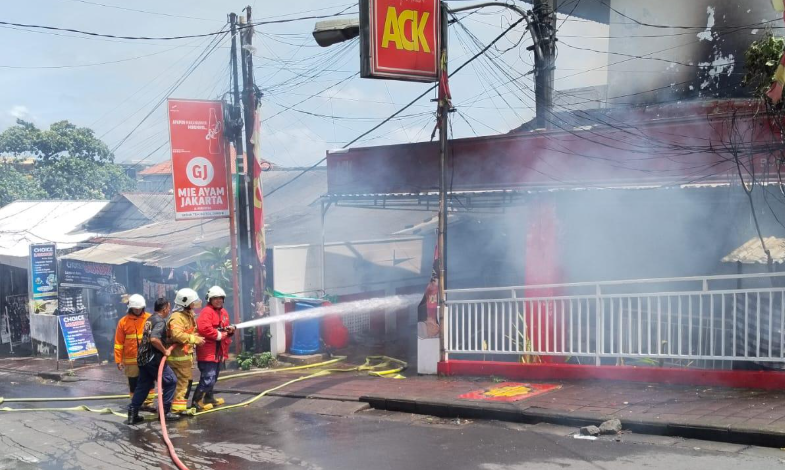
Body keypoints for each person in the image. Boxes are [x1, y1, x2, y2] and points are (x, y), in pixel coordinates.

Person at [126, 298, 180, 425]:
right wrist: (165, 351)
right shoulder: (160, 321)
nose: (169, 310)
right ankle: (164, 412)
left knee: (143, 386)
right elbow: (154, 339)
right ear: (164, 309)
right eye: (169, 308)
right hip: (153, 359)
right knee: (171, 381)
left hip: (143, 358)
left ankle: (132, 414)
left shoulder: (150, 319)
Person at [194, 286, 235, 411]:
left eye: (220, 298)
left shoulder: (224, 312)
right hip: (208, 351)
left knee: (214, 376)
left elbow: (224, 329)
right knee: (208, 377)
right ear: (210, 299)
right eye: (215, 298)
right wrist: (220, 335)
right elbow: (204, 328)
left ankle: (209, 398)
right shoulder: (206, 312)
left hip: (219, 351)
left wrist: (230, 331)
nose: (218, 300)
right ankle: (196, 401)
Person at [167, 288, 205, 414]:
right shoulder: (177, 317)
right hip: (178, 358)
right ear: (185, 302)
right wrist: (194, 339)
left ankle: (179, 408)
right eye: (192, 302)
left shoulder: (188, 315)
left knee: (185, 382)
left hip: (185, 356)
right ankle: (177, 409)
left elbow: (192, 331)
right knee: (183, 383)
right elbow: (176, 334)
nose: (194, 304)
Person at [114, 294, 154, 409]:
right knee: (133, 381)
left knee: (149, 380)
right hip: (131, 359)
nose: (137, 310)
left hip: (147, 357)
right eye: (135, 308)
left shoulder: (150, 318)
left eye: (139, 308)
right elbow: (118, 343)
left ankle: (148, 403)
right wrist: (118, 360)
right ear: (130, 307)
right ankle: (135, 403)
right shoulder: (123, 322)